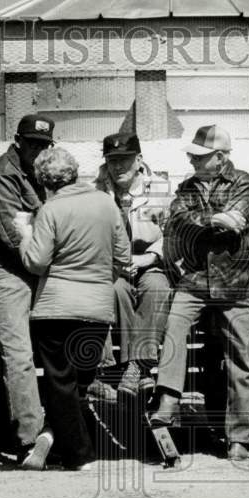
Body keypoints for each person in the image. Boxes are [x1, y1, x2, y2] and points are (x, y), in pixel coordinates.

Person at [149, 125, 249, 462]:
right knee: (174, 329)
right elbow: (178, 221)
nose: (192, 160)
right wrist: (213, 219)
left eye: (200, 156)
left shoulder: (244, 181)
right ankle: (168, 399)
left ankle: (240, 438)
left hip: (238, 284)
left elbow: (237, 222)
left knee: (243, 360)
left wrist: (196, 220)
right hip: (197, 280)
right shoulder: (187, 186)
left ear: (221, 157)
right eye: (193, 155)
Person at [18, 148, 131, 471]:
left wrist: (24, 235)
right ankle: (51, 436)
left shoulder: (49, 209)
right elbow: (122, 258)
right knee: (79, 383)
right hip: (96, 309)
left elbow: (37, 262)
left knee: (60, 384)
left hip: (55, 308)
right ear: (76, 172)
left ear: (42, 181)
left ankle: (80, 454)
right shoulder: (106, 204)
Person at [0, 113, 54, 469]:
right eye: (32, 144)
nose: (37, 151)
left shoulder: (38, 172)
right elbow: (12, 236)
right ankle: (30, 441)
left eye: (44, 145)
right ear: (18, 141)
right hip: (2, 272)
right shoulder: (4, 173)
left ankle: (66, 420)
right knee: (19, 356)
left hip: (31, 267)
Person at [95, 129, 173, 398]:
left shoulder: (160, 187)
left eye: (124, 160)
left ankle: (139, 366)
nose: (117, 167)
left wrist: (150, 257)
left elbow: (173, 233)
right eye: (111, 160)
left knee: (157, 289)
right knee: (116, 291)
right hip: (114, 266)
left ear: (139, 160)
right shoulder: (97, 192)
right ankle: (129, 368)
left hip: (151, 261)